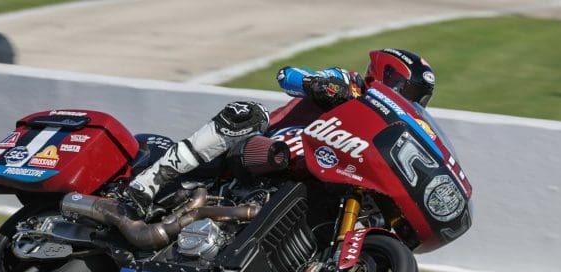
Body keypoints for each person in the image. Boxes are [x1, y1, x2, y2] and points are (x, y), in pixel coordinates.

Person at [126, 48, 435, 214]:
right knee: (247, 112)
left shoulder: (390, 123)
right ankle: (150, 181)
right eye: (408, 91)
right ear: (387, 75)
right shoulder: (346, 82)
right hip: (265, 144)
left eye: (418, 98)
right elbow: (287, 75)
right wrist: (318, 85)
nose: (410, 101)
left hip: (318, 171)